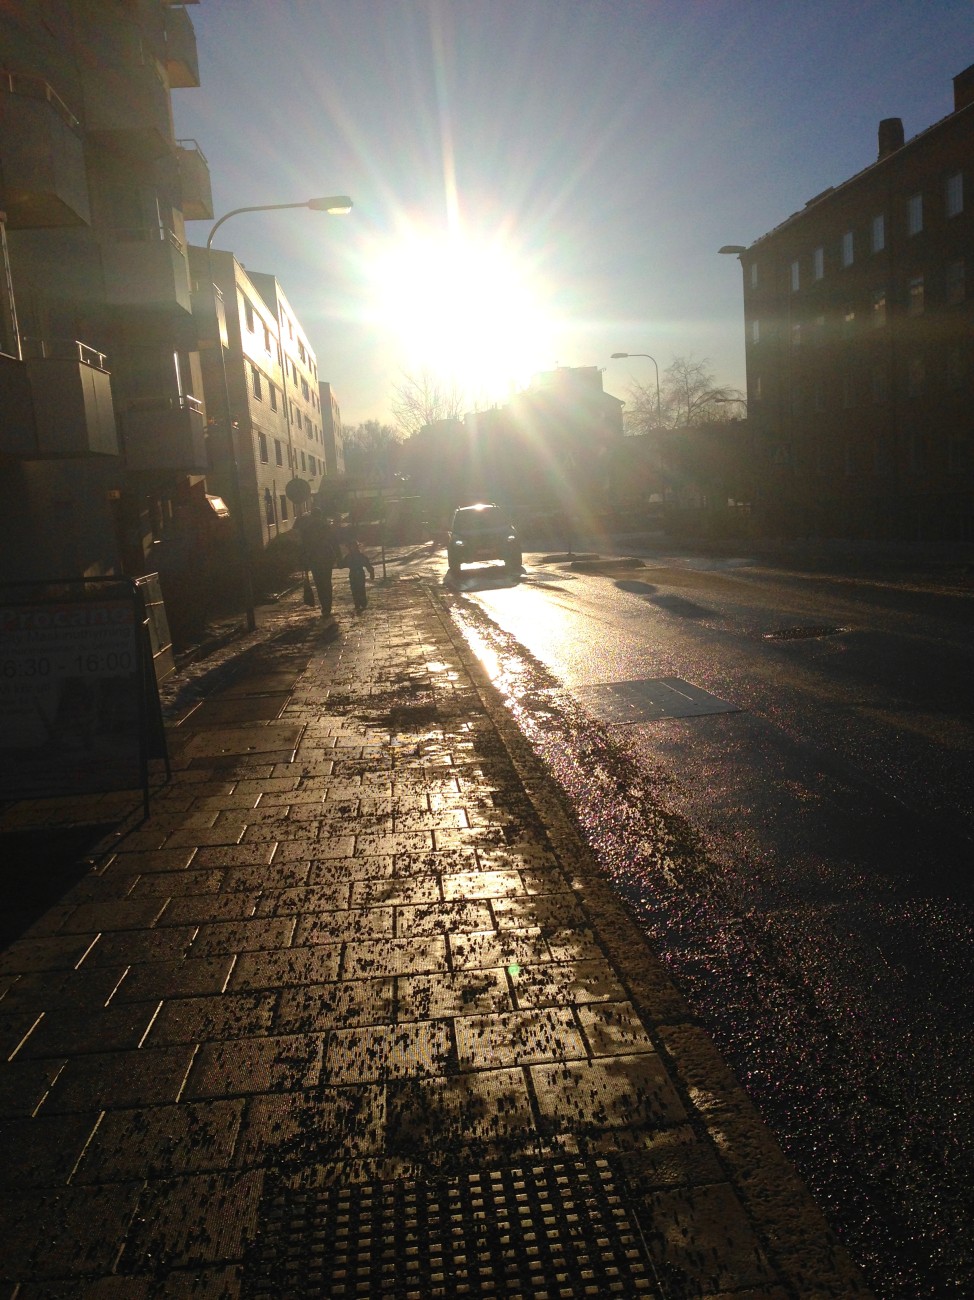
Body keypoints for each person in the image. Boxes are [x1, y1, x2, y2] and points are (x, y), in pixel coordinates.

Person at [294, 506, 340, 618]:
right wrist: (339, 557)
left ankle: (324, 606)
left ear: (312, 516)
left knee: (319, 583)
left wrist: (303, 561)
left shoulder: (307, 530)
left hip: (314, 560)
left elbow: (303, 547)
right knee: (327, 582)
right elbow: (334, 542)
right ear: (320, 515)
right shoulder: (326, 527)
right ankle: (327, 606)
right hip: (327, 558)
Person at [342, 537, 375, 613]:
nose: (352, 548)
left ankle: (363, 603)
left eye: (353, 546)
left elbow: (367, 564)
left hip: (360, 573)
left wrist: (371, 572)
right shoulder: (348, 556)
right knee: (354, 589)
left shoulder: (360, 556)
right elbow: (342, 564)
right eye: (351, 547)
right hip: (353, 573)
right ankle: (357, 603)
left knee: (361, 588)